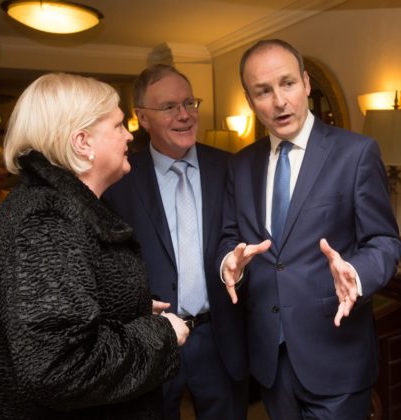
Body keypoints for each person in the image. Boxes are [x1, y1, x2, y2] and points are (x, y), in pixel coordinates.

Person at [0, 72, 190, 419]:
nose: (129, 135)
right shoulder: (45, 221)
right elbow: (60, 367)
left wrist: (131, 312)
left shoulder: (58, 208)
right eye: (117, 125)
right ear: (82, 142)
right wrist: (161, 334)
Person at [217, 39, 401, 419]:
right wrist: (228, 264)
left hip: (336, 355)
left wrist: (355, 272)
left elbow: (384, 240)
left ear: (305, 83)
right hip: (270, 358)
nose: (279, 101)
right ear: (250, 100)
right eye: (263, 91)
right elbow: (229, 237)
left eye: (287, 84)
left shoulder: (356, 153)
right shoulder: (240, 166)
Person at [103, 64, 248, 420]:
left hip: (220, 336)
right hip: (152, 340)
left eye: (190, 103)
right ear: (142, 118)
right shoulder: (118, 180)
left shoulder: (231, 168)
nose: (185, 115)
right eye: (169, 107)